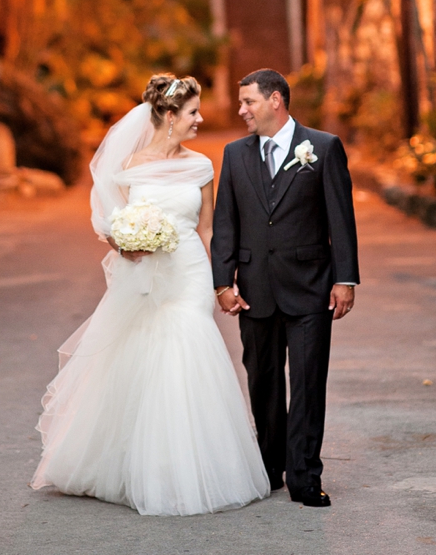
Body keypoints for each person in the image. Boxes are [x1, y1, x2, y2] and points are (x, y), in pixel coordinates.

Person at [30, 73, 270, 516]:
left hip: (189, 272)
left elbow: (208, 228)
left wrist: (221, 282)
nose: (200, 120)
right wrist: (125, 244)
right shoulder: (130, 165)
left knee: (188, 346)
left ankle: (192, 465)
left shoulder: (202, 166)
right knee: (144, 355)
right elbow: (110, 223)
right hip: (144, 273)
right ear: (169, 114)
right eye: (193, 112)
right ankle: (141, 464)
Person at [211, 68, 360, 507]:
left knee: (309, 383)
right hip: (255, 288)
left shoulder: (324, 147)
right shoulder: (235, 155)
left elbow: (341, 218)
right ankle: (268, 468)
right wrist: (223, 281)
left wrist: (345, 278)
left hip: (311, 287)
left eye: (248, 102)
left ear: (276, 100)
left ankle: (304, 476)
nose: (241, 111)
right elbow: (225, 223)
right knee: (263, 383)